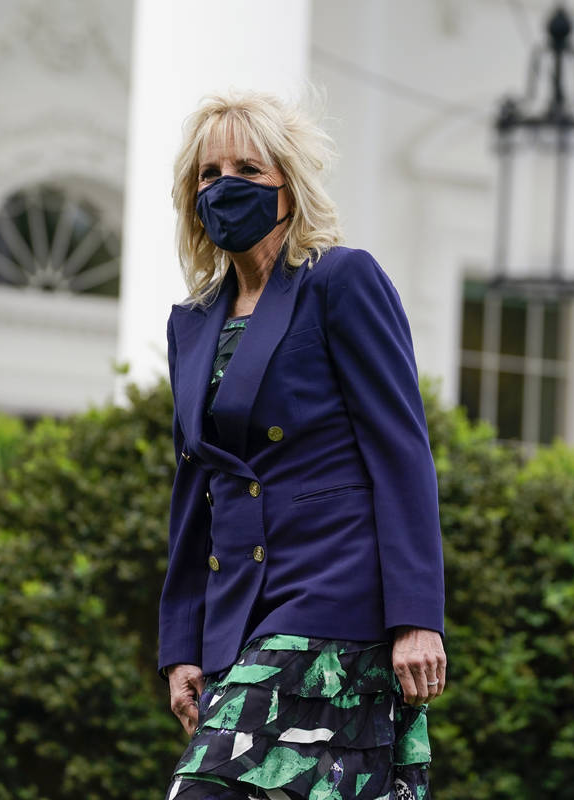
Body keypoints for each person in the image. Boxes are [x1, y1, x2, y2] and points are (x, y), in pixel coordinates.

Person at [157, 89, 447, 800]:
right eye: (209, 173)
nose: (226, 186)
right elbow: (197, 487)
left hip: (330, 596)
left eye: (248, 170)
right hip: (239, 608)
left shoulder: (340, 282)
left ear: (290, 186)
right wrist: (181, 646)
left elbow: (401, 449)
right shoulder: (192, 324)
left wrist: (417, 619)